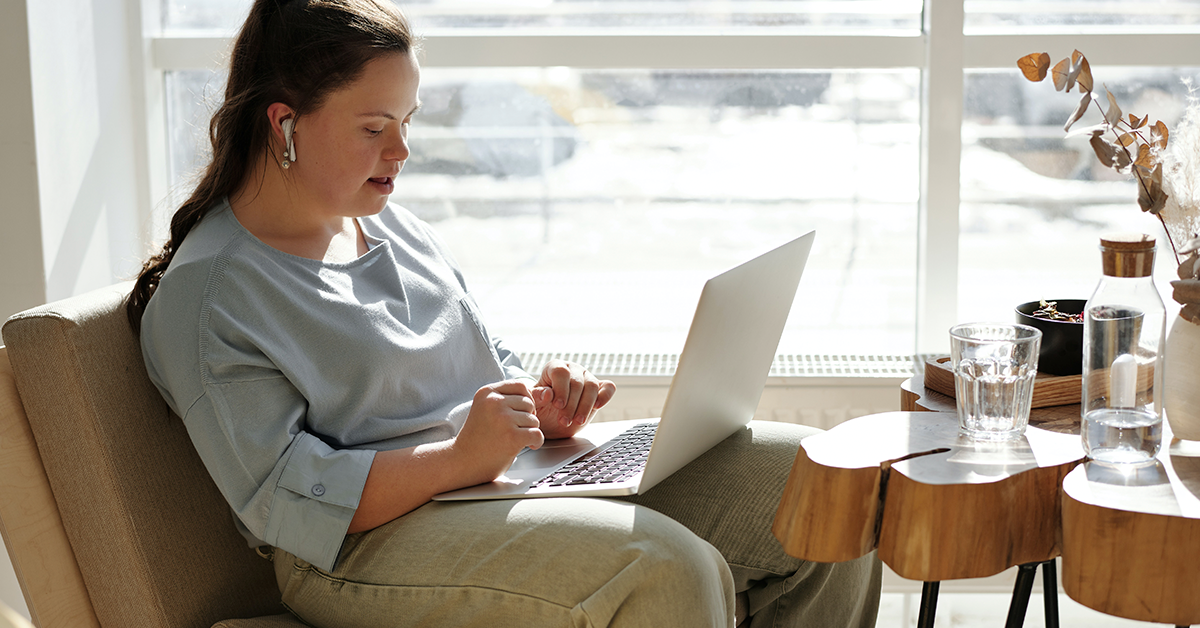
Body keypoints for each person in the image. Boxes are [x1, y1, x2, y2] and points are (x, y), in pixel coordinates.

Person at [128, 1, 882, 626]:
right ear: (283, 125)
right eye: (373, 127)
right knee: (664, 568)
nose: (402, 150)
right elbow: (285, 502)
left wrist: (539, 411)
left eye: (407, 120)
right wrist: (458, 461)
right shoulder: (209, 296)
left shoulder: (387, 222)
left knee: (823, 479)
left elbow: (485, 367)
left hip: (500, 483)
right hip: (361, 549)